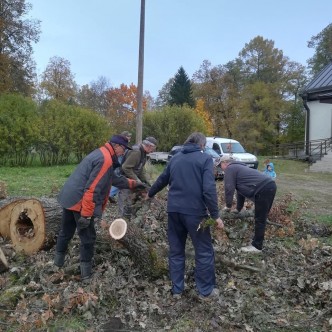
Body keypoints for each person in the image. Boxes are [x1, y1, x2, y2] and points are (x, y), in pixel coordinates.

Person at [54, 134, 147, 281]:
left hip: (69, 197)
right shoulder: (105, 160)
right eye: (123, 149)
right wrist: (86, 215)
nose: (123, 153)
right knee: (88, 238)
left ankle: (57, 265)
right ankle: (86, 275)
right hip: (80, 201)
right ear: (116, 146)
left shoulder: (101, 153)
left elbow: (112, 178)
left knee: (65, 232)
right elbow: (92, 189)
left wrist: (133, 184)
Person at [146, 132, 224, 300]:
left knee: (176, 251)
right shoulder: (205, 160)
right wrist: (216, 214)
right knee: (203, 251)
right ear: (202, 145)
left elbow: (162, 179)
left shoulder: (175, 158)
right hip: (196, 213)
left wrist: (150, 193)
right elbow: (209, 189)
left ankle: (177, 290)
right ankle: (206, 291)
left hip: (173, 211)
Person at [220, 156, 277, 253]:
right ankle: (257, 241)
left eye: (220, 165)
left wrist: (228, 206)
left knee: (260, 219)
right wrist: (238, 209)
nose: (221, 168)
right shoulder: (239, 168)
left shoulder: (230, 168)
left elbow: (229, 188)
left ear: (225, 163)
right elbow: (240, 191)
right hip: (270, 185)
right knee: (261, 218)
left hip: (263, 189)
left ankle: (257, 246)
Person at [117, 136, 158, 219]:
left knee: (134, 201)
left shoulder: (143, 153)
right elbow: (126, 167)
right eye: (153, 148)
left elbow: (141, 169)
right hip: (126, 181)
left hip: (132, 180)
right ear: (149, 146)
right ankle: (122, 223)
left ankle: (132, 218)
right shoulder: (137, 152)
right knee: (125, 203)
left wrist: (148, 181)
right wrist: (137, 180)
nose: (153, 151)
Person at [108, 131, 133, 203]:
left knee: (117, 178)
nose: (129, 139)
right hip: (120, 161)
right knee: (118, 178)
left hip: (121, 161)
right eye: (128, 137)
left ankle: (110, 193)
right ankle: (110, 194)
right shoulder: (119, 147)